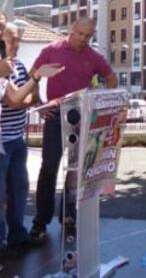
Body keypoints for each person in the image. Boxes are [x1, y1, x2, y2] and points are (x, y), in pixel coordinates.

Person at [29, 18, 118, 242]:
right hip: (55, 115)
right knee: (49, 167)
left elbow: (111, 78)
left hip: (82, 117)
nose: (83, 39)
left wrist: (101, 102)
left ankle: (68, 217)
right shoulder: (51, 49)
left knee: (76, 171)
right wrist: (38, 103)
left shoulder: (94, 56)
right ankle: (40, 221)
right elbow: (33, 75)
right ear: (71, 30)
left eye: (88, 36)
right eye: (80, 34)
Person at [0, 23, 63, 255]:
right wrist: (33, 83)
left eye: (17, 40)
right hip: (3, 141)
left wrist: (34, 102)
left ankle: (17, 236)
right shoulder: (2, 68)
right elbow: (16, 99)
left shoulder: (15, 65)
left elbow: (30, 96)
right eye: (10, 40)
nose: (16, 45)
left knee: (19, 189)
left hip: (16, 138)